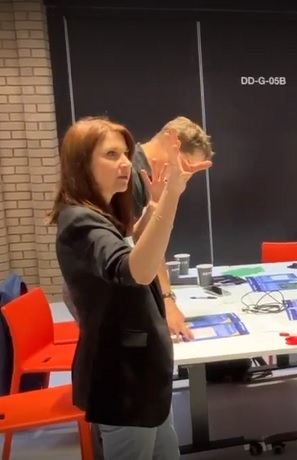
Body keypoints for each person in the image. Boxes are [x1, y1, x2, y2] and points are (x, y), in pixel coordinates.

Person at [50, 118, 211, 460]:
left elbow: (132, 253)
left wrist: (153, 206)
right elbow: (136, 271)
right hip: (122, 381)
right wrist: (170, 198)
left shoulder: (104, 211)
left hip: (144, 375)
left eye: (125, 153)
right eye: (111, 154)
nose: (125, 162)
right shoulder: (80, 221)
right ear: (81, 164)